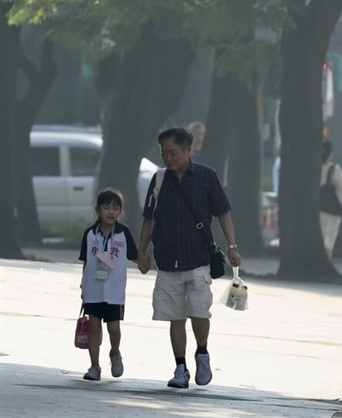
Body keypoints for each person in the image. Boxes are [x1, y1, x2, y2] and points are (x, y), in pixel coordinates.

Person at [136, 126, 242, 389]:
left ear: (187, 150)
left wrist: (232, 246)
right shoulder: (159, 179)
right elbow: (149, 218)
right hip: (167, 259)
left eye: (173, 153)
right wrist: (141, 252)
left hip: (198, 258)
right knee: (175, 317)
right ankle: (180, 367)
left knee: (199, 312)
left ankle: (202, 353)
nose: (167, 158)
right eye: (163, 153)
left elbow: (223, 213)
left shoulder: (206, 177)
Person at [79, 189, 139, 381]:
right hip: (93, 289)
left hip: (114, 290)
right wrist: (83, 286)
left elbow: (134, 256)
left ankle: (114, 352)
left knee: (114, 328)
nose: (111, 212)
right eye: (106, 207)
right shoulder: (89, 234)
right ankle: (94, 366)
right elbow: (86, 262)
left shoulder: (123, 233)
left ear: (120, 211)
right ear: (97, 209)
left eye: (115, 208)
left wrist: (145, 263)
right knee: (94, 328)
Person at [320, 140, 342, 259]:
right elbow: (341, 189)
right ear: (330, 154)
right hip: (332, 211)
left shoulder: (311, 169)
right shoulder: (333, 169)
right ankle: (327, 261)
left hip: (317, 209)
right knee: (329, 240)